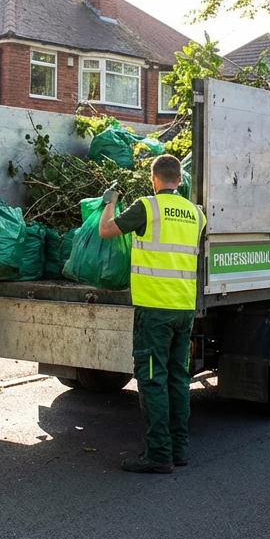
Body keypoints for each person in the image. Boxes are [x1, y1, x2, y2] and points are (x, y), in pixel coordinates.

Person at [99, 154, 206, 474]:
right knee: (178, 378)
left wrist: (110, 201)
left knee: (151, 380)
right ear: (179, 179)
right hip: (184, 309)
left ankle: (159, 454)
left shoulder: (147, 207)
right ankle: (179, 448)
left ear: (154, 179)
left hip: (154, 311)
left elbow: (105, 230)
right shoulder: (196, 214)